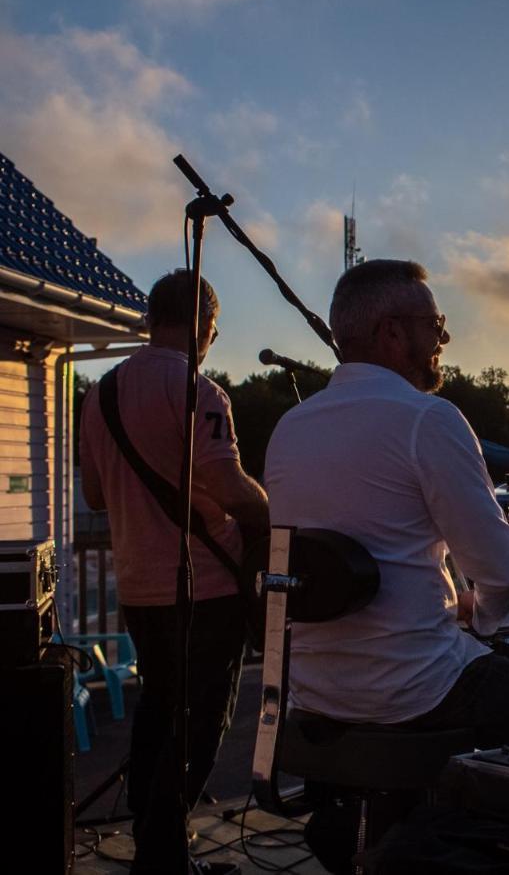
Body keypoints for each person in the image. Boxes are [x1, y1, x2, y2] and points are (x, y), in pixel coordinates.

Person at [265, 259, 509, 749]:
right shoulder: (427, 419)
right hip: (416, 690)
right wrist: (483, 612)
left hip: (313, 692)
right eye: (435, 326)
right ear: (391, 333)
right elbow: (498, 570)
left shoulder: (289, 428)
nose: (444, 342)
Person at [79, 269, 268, 875]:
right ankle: (162, 854)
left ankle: (154, 842)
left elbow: (95, 494)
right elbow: (228, 487)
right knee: (202, 723)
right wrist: (269, 510)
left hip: (138, 586)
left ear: (148, 317)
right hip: (204, 589)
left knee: (159, 709)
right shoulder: (199, 391)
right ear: (206, 325)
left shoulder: (101, 393)